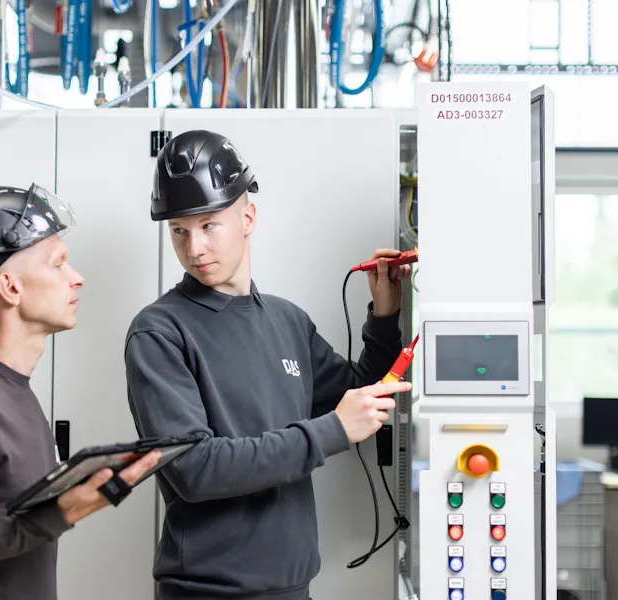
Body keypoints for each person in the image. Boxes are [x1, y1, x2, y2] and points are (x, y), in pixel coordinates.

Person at [124, 130, 412, 600]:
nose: (194, 248)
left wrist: (384, 315)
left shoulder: (287, 321)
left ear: (248, 217)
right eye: (179, 230)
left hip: (294, 588)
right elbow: (195, 469)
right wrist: (330, 430)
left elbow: (363, 398)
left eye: (208, 225)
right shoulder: (159, 332)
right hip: (206, 594)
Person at [0, 183, 160, 600]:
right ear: (11, 288)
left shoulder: (15, 392)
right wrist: (59, 512)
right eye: (58, 264)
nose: (77, 279)